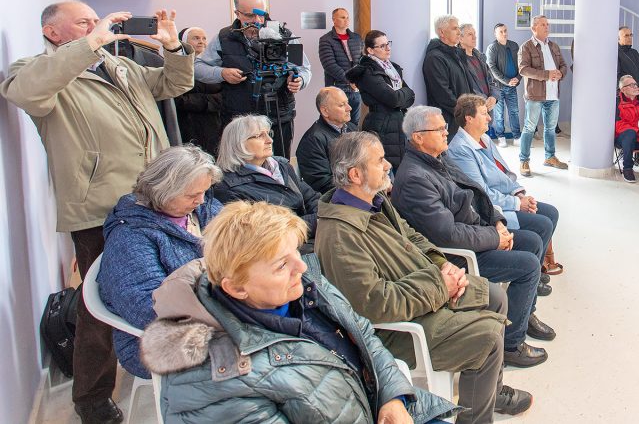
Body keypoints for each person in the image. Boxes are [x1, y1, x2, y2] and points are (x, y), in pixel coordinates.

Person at [0, 1, 193, 424]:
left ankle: (175, 370)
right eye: (84, 22)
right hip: (100, 208)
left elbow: (174, 84)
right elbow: (24, 93)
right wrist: (91, 43)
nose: (96, 26)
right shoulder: (38, 71)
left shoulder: (119, 66)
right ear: (53, 33)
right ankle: (92, 398)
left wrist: (173, 47)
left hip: (154, 200)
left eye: (96, 20)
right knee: (100, 304)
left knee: (169, 285)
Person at [139, 201, 457, 424]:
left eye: (295, 252)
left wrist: (394, 398)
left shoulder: (304, 287)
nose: (301, 267)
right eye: (281, 265)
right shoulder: (216, 380)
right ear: (236, 287)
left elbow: (364, 334)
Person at [316, 132, 533, 423]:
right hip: (397, 330)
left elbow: (413, 237)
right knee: (489, 339)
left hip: (424, 291)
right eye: (379, 161)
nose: (388, 165)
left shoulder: (373, 202)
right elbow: (376, 304)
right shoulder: (340, 236)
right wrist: (440, 286)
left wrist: (443, 265)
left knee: (495, 296)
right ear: (355, 174)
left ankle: (491, 390)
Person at [392, 106, 553, 368]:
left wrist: (497, 222)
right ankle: (512, 344)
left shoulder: (438, 158)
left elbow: (476, 192)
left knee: (533, 241)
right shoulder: (414, 178)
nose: (446, 133)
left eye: (445, 127)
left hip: (476, 233)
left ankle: (524, 315)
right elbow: (448, 234)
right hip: (456, 256)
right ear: (418, 137)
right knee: (528, 266)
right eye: (439, 129)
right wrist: (494, 237)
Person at [98, 145, 223, 378]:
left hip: (218, 312)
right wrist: (229, 308)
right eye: (192, 195)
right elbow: (149, 309)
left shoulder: (200, 209)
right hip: (160, 341)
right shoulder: (130, 239)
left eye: (205, 191)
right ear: (163, 190)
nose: (201, 200)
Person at [447, 94, 563, 275]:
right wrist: (517, 203)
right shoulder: (460, 150)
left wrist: (519, 194)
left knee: (551, 213)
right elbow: (481, 194)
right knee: (542, 225)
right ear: (469, 119)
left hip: (507, 198)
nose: (489, 118)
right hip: (492, 210)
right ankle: (533, 273)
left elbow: (504, 174)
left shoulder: (484, 139)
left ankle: (538, 267)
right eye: (484, 113)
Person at [195, 0, 312, 158]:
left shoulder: (285, 35)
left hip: (279, 118)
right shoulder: (224, 38)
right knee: (240, 165)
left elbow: (303, 68)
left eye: (261, 14)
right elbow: (198, 67)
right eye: (250, 15)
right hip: (239, 120)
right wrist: (221, 73)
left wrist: (300, 80)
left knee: (279, 164)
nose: (257, 20)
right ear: (237, 13)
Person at [213, 114, 321, 239]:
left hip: (309, 235)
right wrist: (316, 222)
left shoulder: (282, 166)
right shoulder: (228, 187)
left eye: (269, 134)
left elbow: (313, 198)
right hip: (281, 246)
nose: (270, 140)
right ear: (239, 144)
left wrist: (322, 218)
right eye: (259, 136)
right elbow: (263, 232)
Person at [346, 29, 416, 171]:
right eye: (382, 46)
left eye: (388, 44)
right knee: (386, 171)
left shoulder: (393, 69)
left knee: (402, 169)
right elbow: (393, 99)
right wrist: (403, 94)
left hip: (398, 122)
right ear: (370, 50)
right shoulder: (367, 72)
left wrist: (402, 95)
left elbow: (412, 96)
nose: (388, 48)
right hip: (382, 125)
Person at [517, 15, 569, 175]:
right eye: (543, 25)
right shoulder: (526, 47)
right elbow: (523, 69)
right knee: (529, 128)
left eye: (547, 24)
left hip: (553, 95)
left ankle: (550, 157)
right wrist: (547, 75)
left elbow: (563, 65)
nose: (547, 27)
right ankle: (524, 161)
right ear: (533, 28)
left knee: (550, 129)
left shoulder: (554, 46)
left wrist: (561, 73)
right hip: (535, 95)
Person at [296, 87, 358, 194]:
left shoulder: (352, 128)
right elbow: (322, 183)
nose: (349, 108)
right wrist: (358, 188)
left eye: (347, 103)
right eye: (342, 105)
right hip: (336, 198)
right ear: (325, 111)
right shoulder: (312, 140)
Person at [423, 14, 476, 139]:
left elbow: (467, 84)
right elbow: (443, 94)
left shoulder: (456, 53)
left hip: (461, 117)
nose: (459, 32)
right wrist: (464, 113)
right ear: (441, 32)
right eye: (454, 28)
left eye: (458, 28)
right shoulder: (435, 58)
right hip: (448, 121)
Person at [173, 26, 222, 154]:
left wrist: (197, 99)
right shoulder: (176, 68)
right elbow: (178, 99)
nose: (201, 41)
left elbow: (225, 96)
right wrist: (210, 100)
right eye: (196, 38)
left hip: (215, 122)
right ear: (184, 42)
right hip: (188, 123)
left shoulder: (215, 67)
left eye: (204, 38)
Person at [318, 7, 364, 124]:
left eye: (347, 17)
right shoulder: (326, 40)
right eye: (343, 17)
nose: (346, 20)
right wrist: (350, 80)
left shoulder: (356, 38)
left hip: (355, 89)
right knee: (337, 123)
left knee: (354, 123)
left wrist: (359, 80)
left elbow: (362, 60)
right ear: (334, 20)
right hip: (337, 88)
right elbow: (329, 65)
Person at [486, 23, 522, 148]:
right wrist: (507, 81)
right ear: (495, 34)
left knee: (514, 112)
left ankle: (517, 137)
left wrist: (518, 78)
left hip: (513, 86)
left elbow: (521, 63)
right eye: (501, 31)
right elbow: (492, 68)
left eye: (505, 30)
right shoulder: (492, 48)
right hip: (498, 87)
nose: (504, 33)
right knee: (499, 114)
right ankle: (501, 137)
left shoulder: (514, 45)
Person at [614, 75, 639, 183]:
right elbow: (618, 124)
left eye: (635, 84)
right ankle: (627, 168)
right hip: (623, 139)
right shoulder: (617, 102)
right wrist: (638, 131)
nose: (635, 87)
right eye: (631, 85)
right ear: (623, 89)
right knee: (630, 133)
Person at [458, 23, 498, 110]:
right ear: (460, 38)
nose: (474, 37)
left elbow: (492, 80)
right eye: (470, 34)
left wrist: (494, 97)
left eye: (474, 34)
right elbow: (467, 87)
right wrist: (484, 100)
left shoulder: (480, 57)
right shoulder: (458, 60)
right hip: (474, 108)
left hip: (488, 106)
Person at [616, 26, 639, 94]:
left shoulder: (634, 52)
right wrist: (624, 89)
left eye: (630, 35)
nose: (629, 37)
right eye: (626, 35)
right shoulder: (616, 53)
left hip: (637, 92)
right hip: (624, 93)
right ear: (618, 38)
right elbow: (617, 75)